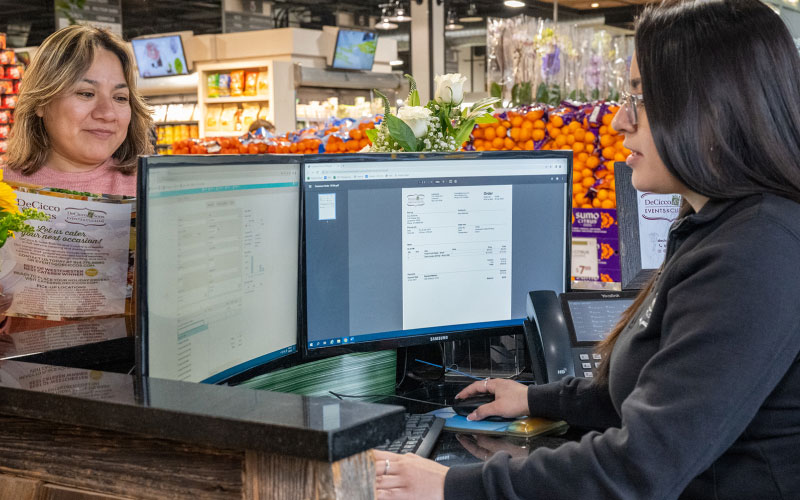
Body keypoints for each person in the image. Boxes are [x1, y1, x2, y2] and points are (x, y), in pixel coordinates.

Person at [373, 1, 800, 498]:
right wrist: (538, 397)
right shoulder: (719, 225)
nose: (620, 121)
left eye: (640, 99)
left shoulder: (756, 252)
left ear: (711, 106)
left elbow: (640, 468)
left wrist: (452, 486)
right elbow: (661, 390)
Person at [3, 24, 154, 197]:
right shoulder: (4, 189)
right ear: (41, 102)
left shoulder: (152, 190)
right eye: (86, 94)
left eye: (120, 98)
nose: (107, 114)